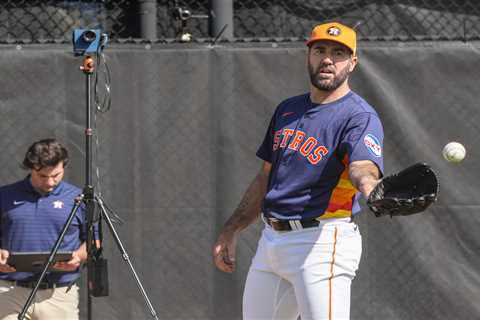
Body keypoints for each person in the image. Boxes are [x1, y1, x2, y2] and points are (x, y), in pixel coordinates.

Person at [213, 21, 384, 320]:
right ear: (308, 56)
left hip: (322, 242)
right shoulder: (287, 110)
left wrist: (371, 188)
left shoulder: (358, 115)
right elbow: (266, 176)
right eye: (320, 50)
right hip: (271, 242)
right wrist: (232, 229)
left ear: (353, 63)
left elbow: (362, 167)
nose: (328, 59)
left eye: (339, 53)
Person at [0, 138, 88, 320]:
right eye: (42, 176)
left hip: (59, 294)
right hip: (9, 291)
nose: (49, 182)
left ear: (64, 167)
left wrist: (78, 256)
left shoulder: (79, 198)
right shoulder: (4, 195)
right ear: (30, 168)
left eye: (56, 175)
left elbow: (94, 241)